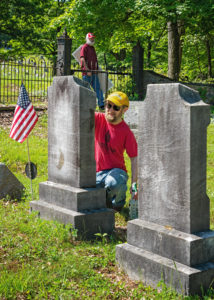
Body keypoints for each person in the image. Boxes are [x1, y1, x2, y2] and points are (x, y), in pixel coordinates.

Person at [95, 91, 138, 212]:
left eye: (116, 107)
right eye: (108, 105)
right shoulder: (98, 119)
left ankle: (118, 202)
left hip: (117, 172)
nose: (110, 110)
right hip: (97, 173)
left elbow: (134, 158)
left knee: (113, 183)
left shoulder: (126, 132)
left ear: (124, 110)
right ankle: (106, 198)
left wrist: (134, 185)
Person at [80, 32, 104, 110]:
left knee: (98, 89)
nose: (92, 39)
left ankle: (101, 105)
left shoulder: (92, 48)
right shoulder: (84, 47)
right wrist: (87, 70)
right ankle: (88, 106)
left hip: (94, 72)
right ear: (87, 38)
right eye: (91, 38)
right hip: (87, 73)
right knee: (87, 90)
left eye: (93, 38)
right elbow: (82, 59)